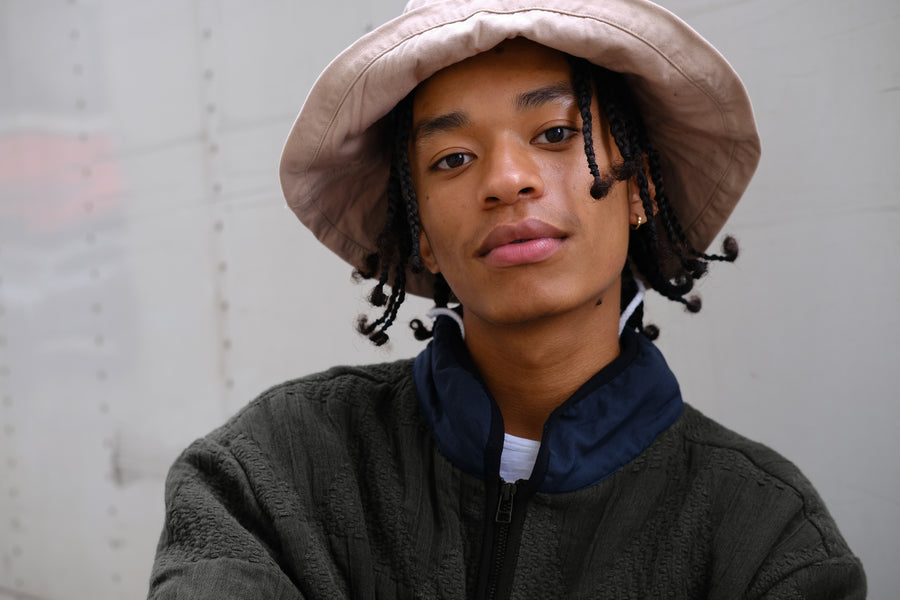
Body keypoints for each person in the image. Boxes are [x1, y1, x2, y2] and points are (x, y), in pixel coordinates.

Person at [149, 0, 866, 598]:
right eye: (452, 159)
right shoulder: (268, 472)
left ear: (640, 190)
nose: (507, 179)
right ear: (423, 234)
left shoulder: (766, 534)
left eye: (556, 133)